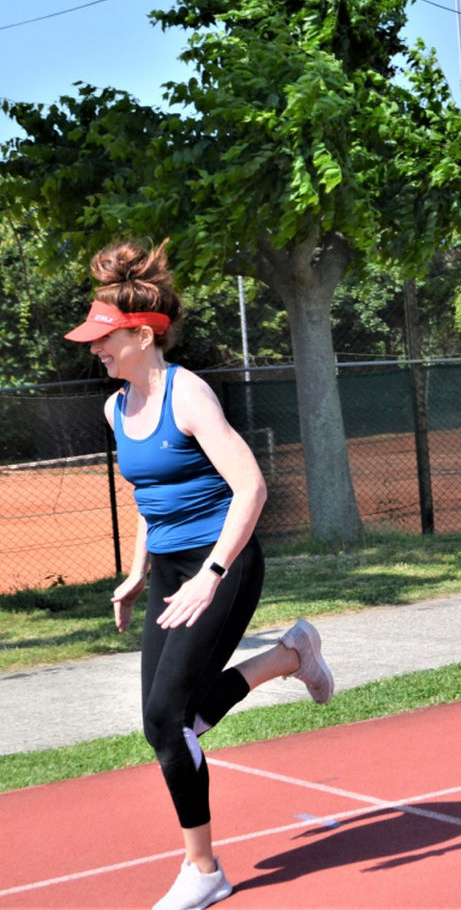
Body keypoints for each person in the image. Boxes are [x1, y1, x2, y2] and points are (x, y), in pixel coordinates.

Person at [65, 239, 335, 910]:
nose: (95, 349)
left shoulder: (189, 395)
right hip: (170, 570)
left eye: (104, 338)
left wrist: (211, 574)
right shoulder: (115, 407)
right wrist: (137, 572)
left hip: (224, 562)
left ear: (142, 335)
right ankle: (290, 655)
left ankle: (203, 869)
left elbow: (251, 488)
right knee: (165, 725)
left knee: (166, 720)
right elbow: (148, 500)